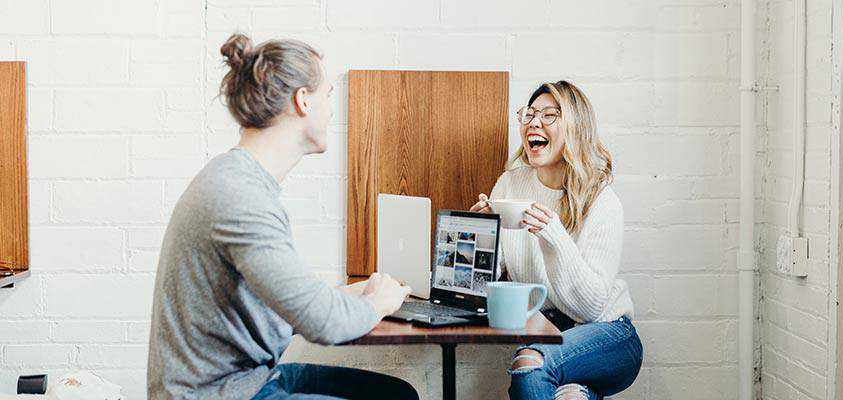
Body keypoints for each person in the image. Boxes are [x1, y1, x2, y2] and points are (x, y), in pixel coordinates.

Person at [147, 33, 418, 400]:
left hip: (250, 380)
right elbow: (323, 324)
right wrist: (378, 303)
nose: (332, 109)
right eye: (328, 96)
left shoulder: (241, 180)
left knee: (396, 395)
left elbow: (284, 304)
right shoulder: (240, 197)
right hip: (220, 394)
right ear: (303, 101)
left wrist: (347, 296)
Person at [470, 81, 643, 400]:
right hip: (545, 329)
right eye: (530, 114)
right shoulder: (511, 184)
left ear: (575, 128)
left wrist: (554, 237)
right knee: (570, 396)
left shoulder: (600, 199)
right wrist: (482, 235)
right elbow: (488, 283)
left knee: (530, 365)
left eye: (550, 115)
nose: (535, 122)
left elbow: (590, 308)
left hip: (608, 333)